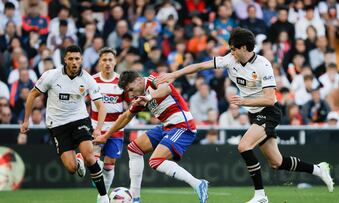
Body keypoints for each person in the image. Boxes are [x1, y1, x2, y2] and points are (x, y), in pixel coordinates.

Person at [157, 28, 334, 203]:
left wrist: (244, 102)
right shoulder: (230, 59)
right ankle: (318, 170)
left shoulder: (263, 65)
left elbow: (270, 99)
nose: (231, 51)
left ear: (243, 48)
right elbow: (200, 66)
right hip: (254, 114)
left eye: (233, 48)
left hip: (269, 113)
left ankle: (260, 196)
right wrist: (174, 74)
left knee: (244, 146)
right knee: (277, 162)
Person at [93, 70, 208, 203]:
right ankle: (135, 198)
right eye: (127, 92)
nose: (130, 94)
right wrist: (106, 136)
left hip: (183, 126)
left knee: (155, 161)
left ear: (139, 80)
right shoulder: (139, 97)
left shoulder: (153, 79)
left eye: (131, 89)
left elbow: (166, 89)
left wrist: (148, 97)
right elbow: (125, 117)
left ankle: (198, 183)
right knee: (134, 148)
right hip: (167, 126)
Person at [20, 45, 110, 203]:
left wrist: (98, 129)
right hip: (57, 125)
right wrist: (26, 120)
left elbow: (102, 106)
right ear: (65, 60)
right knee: (71, 168)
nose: (74, 62)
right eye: (71, 59)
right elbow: (32, 95)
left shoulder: (87, 78)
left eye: (77, 59)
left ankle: (103, 196)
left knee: (90, 157)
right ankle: (78, 159)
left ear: (81, 60)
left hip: (79, 120)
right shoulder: (51, 76)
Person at [90, 47, 126, 200]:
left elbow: (129, 104)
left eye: (110, 60)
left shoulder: (122, 82)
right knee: (93, 160)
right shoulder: (91, 80)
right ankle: (100, 185)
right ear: (99, 62)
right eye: (104, 60)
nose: (107, 63)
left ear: (115, 62)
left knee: (110, 163)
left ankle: (102, 196)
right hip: (95, 128)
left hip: (116, 129)